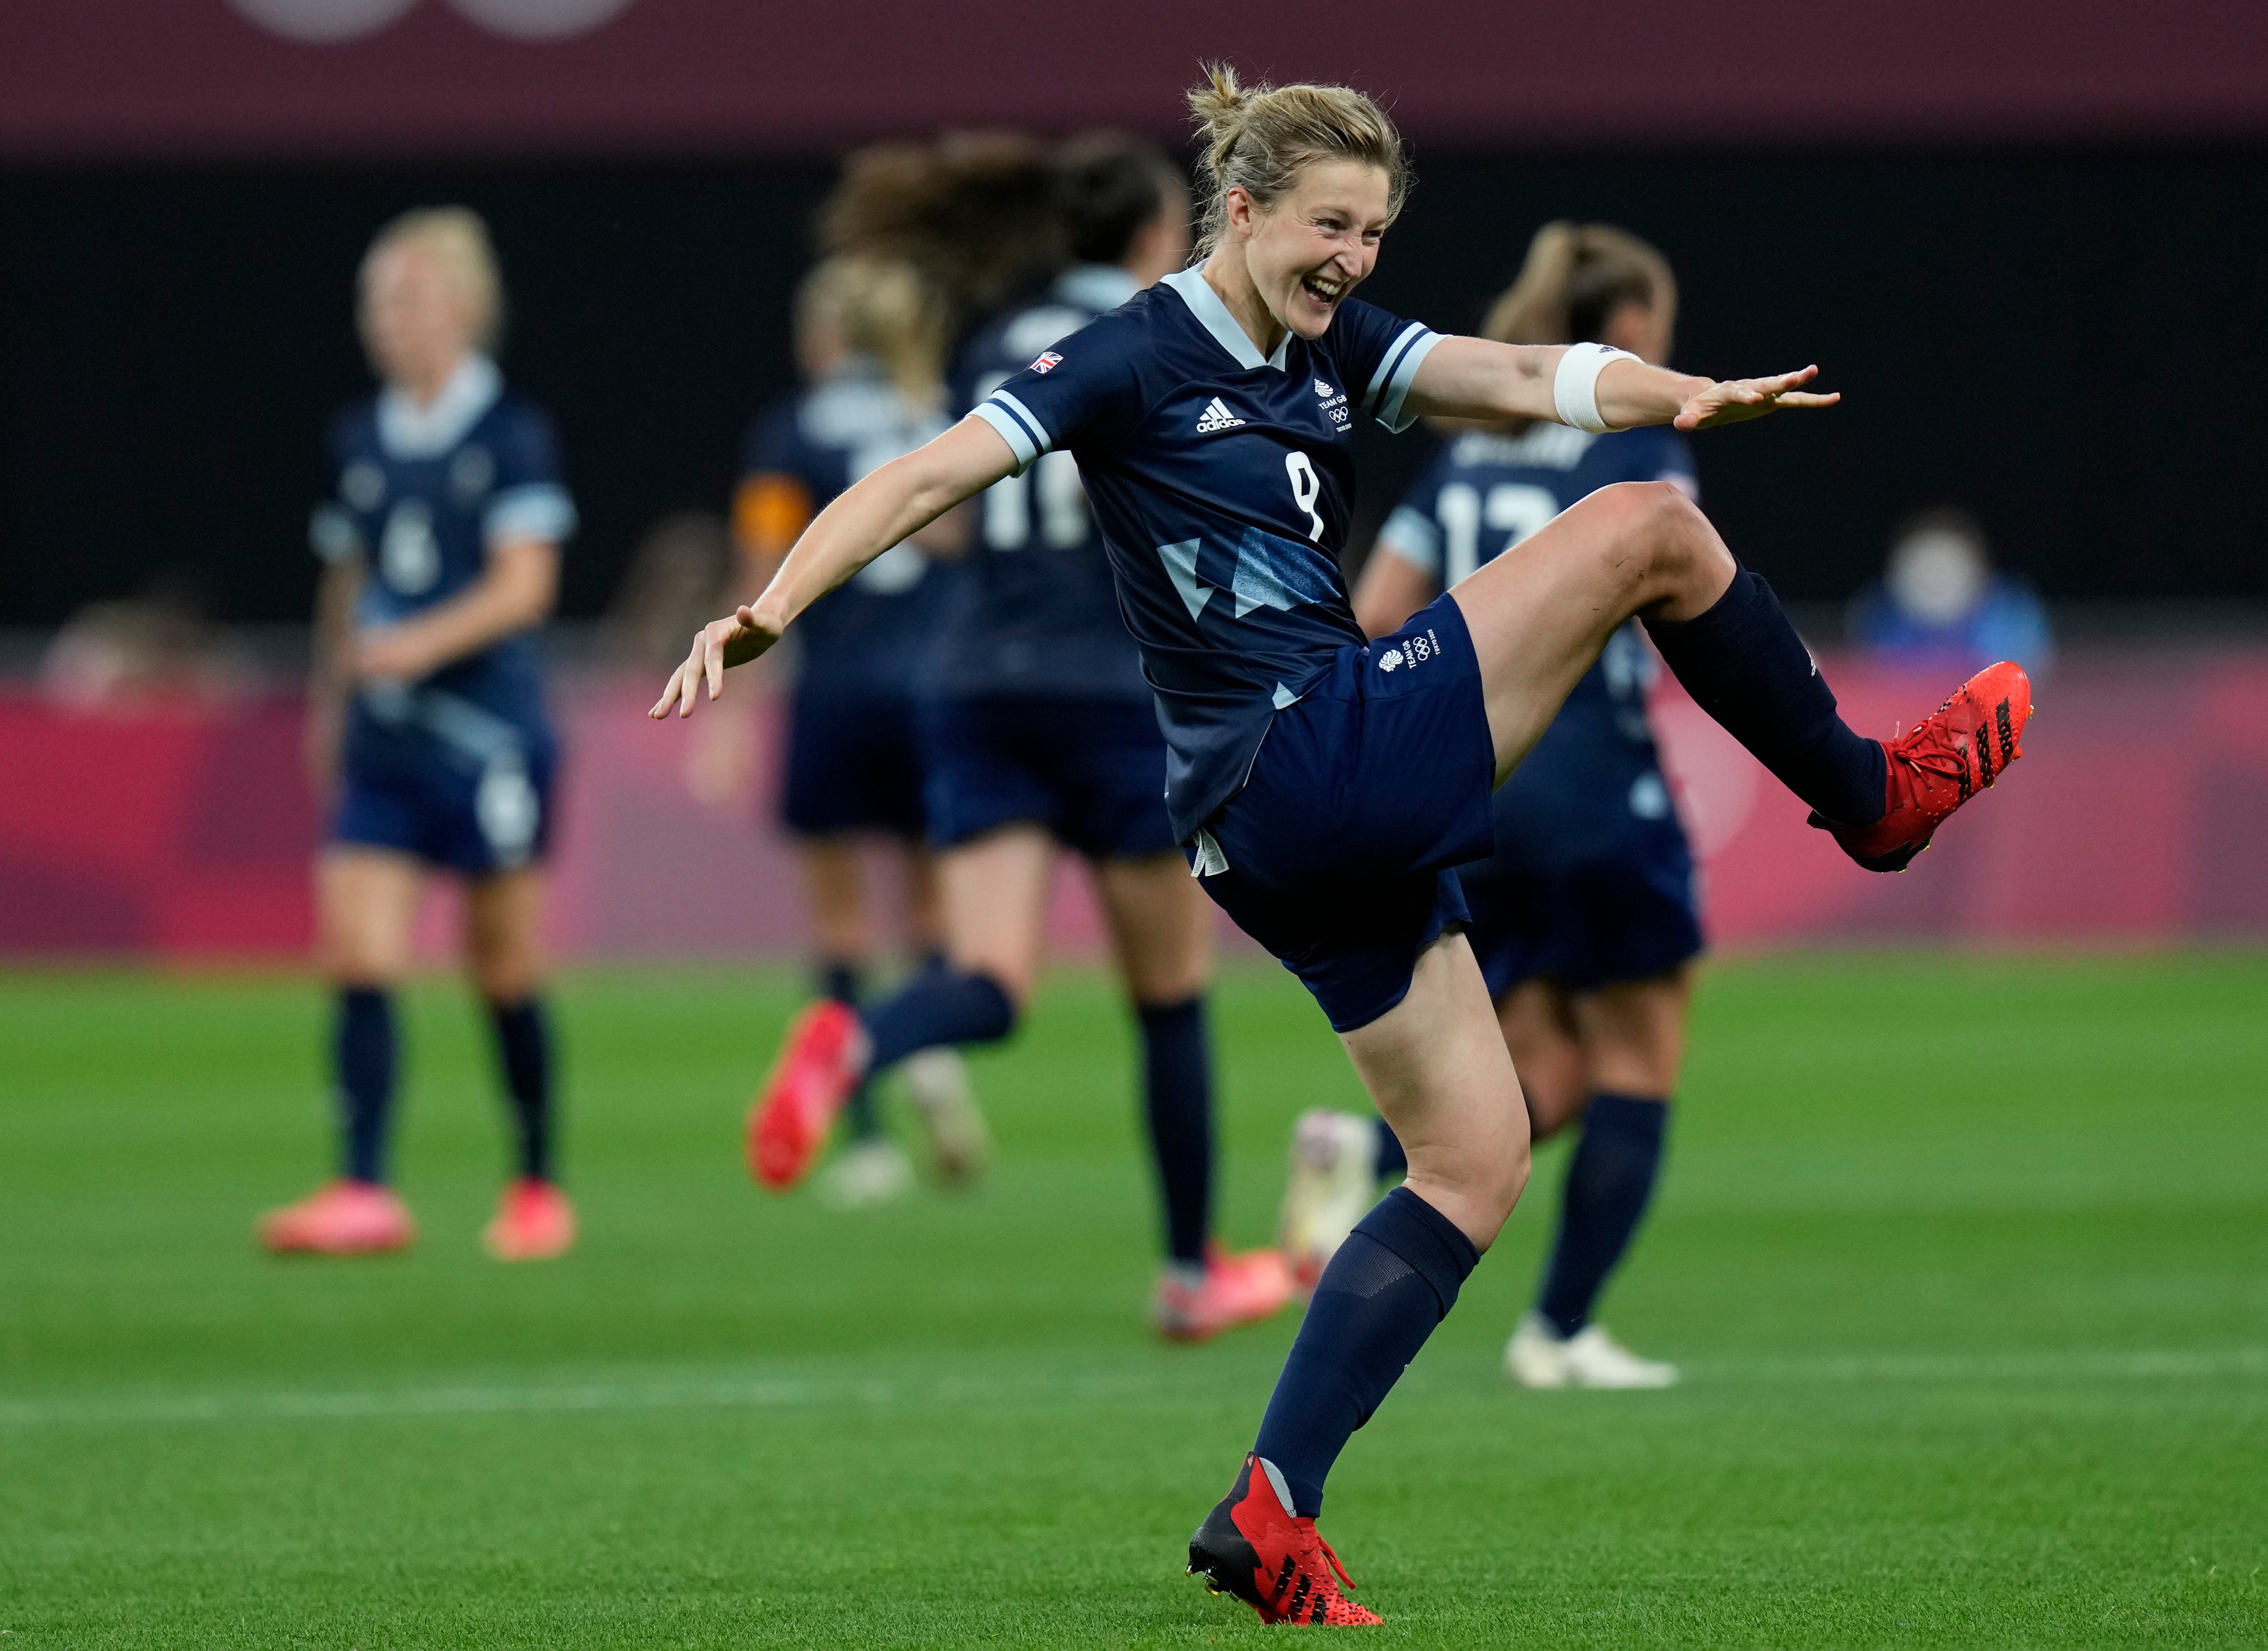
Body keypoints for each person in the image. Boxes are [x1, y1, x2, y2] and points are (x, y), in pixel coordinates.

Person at [653, 68, 2033, 1625]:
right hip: (1304, 756)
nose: (1353, 260)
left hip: (1266, 829)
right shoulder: (1131, 352)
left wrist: (1680, 392)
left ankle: (1271, 1505)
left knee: (1473, 1156)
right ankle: (1870, 798)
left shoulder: (1330, 348)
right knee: (1650, 530)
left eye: (1373, 233)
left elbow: (1515, 372)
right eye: (1328, 226)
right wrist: (768, 608)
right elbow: (921, 473)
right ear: (1236, 210)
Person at [749, 135, 1291, 1338]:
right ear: (1159, 236)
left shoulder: (1001, 341)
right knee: (1167, 997)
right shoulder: (1176, 329)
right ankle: (1190, 1271)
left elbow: (941, 520)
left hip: (979, 681)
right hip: (1117, 690)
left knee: (989, 984)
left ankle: (858, 1041)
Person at [1279, 222, 1706, 1391]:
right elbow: (1681, 591)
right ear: (1623, 337)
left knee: (1540, 1073)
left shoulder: (1465, 463)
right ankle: (1561, 1330)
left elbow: (1374, 612)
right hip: (1595, 785)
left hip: (1481, 789)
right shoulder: (1640, 456)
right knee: (1640, 1054)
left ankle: (1359, 1149)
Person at [259, 208, 577, 1261]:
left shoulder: (509, 434)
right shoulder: (362, 437)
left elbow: (525, 587)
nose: (382, 321)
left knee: (503, 965)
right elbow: (345, 582)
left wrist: (418, 645)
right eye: (372, 302)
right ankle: (363, 1186)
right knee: (356, 945)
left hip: (488, 742)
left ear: (460, 305)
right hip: (388, 746)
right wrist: (331, 699)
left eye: (401, 298)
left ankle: (535, 1182)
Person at [706, 253, 989, 1206]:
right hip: (934, 692)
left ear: (829, 335)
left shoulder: (792, 430)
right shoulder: (941, 417)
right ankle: (923, 1048)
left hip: (836, 695)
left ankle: (864, 1142)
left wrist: (732, 716)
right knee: (932, 912)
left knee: (838, 924)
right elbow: (970, 546)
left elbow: (762, 571)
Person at [1848, 505, 2052, 674]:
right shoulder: (1876, 619)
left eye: (1946, 568)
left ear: (1980, 569)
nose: (1934, 582)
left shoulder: (2013, 618)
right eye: (1922, 569)